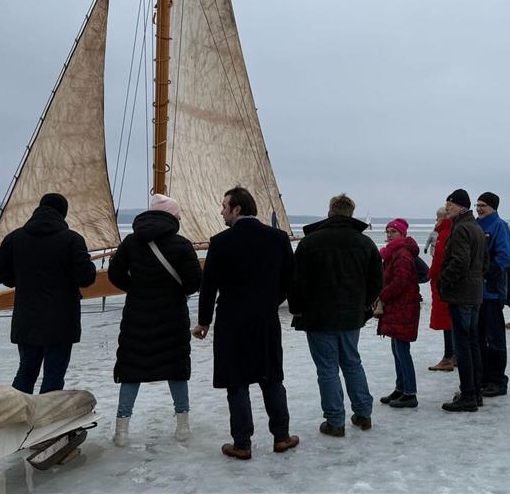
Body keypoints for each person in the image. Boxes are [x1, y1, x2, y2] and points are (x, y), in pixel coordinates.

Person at [194, 187, 299, 459]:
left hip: (231, 321)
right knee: (271, 377)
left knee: (237, 381)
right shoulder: (278, 238)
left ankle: (242, 444)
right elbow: (290, 280)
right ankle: (281, 437)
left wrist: (204, 321)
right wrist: (270, 301)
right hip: (265, 320)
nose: (221, 211)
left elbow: (209, 287)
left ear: (237, 209)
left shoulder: (220, 242)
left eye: (224, 206)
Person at [108, 194, 203, 446]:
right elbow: (194, 282)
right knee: (176, 367)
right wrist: (175, 291)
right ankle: (182, 426)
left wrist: (137, 288)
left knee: (131, 369)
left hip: (137, 314)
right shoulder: (181, 244)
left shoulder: (130, 242)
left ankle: (121, 430)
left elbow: (115, 275)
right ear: (172, 217)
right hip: (172, 315)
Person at [291, 193, 382, 436]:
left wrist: (297, 308)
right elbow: (377, 280)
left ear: (330, 211)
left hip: (318, 315)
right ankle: (363, 414)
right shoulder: (364, 243)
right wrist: (364, 305)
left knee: (328, 369)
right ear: (351, 214)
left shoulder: (310, 243)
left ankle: (335, 421)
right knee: (352, 363)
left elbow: (296, 281)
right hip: (351, 315)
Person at [0, 193, 96, 394]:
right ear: (63, 213)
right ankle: (49, 420)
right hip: (62, 319)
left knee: (26, 372)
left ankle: (18, 417)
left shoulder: (15, 237)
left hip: (27, 316)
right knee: (54, 376)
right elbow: (87, 278)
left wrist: (17, 279)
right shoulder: (72, 240)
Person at [438, 189, 487, 412]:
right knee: (473, 343)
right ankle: (475, 392)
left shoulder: (461, 229)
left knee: (464, 346)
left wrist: (443, 281)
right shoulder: (476, 227)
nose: (447, 208)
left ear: (460, 206)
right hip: (474, 292)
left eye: (450, 204)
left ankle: (468, 395)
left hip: (462, 293)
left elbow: (459, 261)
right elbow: (485, 262)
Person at [375, 218, 421, 408]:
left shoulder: (401, 254)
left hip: (403, 307)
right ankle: (401, 388)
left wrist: (382, 295)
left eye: (393, 232)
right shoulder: (393, 254)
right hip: (397, 308)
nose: (389, 235)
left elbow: (400, 282)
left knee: (402, 350)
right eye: (387, 232)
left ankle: (410, 392)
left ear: (402, 234)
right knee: (397, 349)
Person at [475, 192, 510, 398]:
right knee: (479, 337)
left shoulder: (499, 226)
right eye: (477, 205)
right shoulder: (475, 225)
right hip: (475, 293)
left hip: (491, 292)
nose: (479, 209)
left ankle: (498, 380)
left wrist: (488, 273)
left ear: (493, 208)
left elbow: (504, 256)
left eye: (483, 206)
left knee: (495, 338)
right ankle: (482, 377)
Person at [427, 207, 455, 372]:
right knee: (451, 320)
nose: (436, 220)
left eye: (438, 217)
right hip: (449, 283)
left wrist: (431, 275)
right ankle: (454, 355)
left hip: (443, 284)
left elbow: (438, 260)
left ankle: (448, 356)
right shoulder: (450, 231)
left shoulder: (444, 233)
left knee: (447, 321)